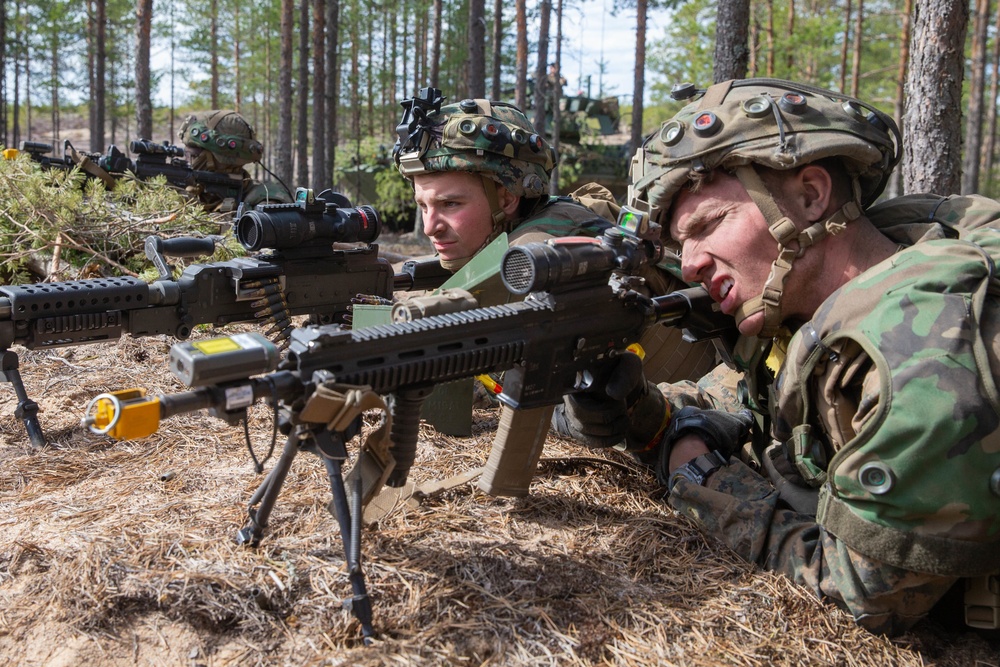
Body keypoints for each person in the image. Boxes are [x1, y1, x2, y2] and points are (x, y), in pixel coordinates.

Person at [557, 78, 1000, 635]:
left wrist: (697, 477)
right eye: (679, 243)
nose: (690, 263)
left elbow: (864, 593)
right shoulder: (811, 312)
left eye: (708, 225)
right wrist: (641, 412)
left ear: (811, 196)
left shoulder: (920, 356)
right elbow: (741, 400)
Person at [178, 110, 290, 212]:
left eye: (192, 155)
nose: (186, 160)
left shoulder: (265, 199)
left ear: (221, 160)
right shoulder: (192, 192)